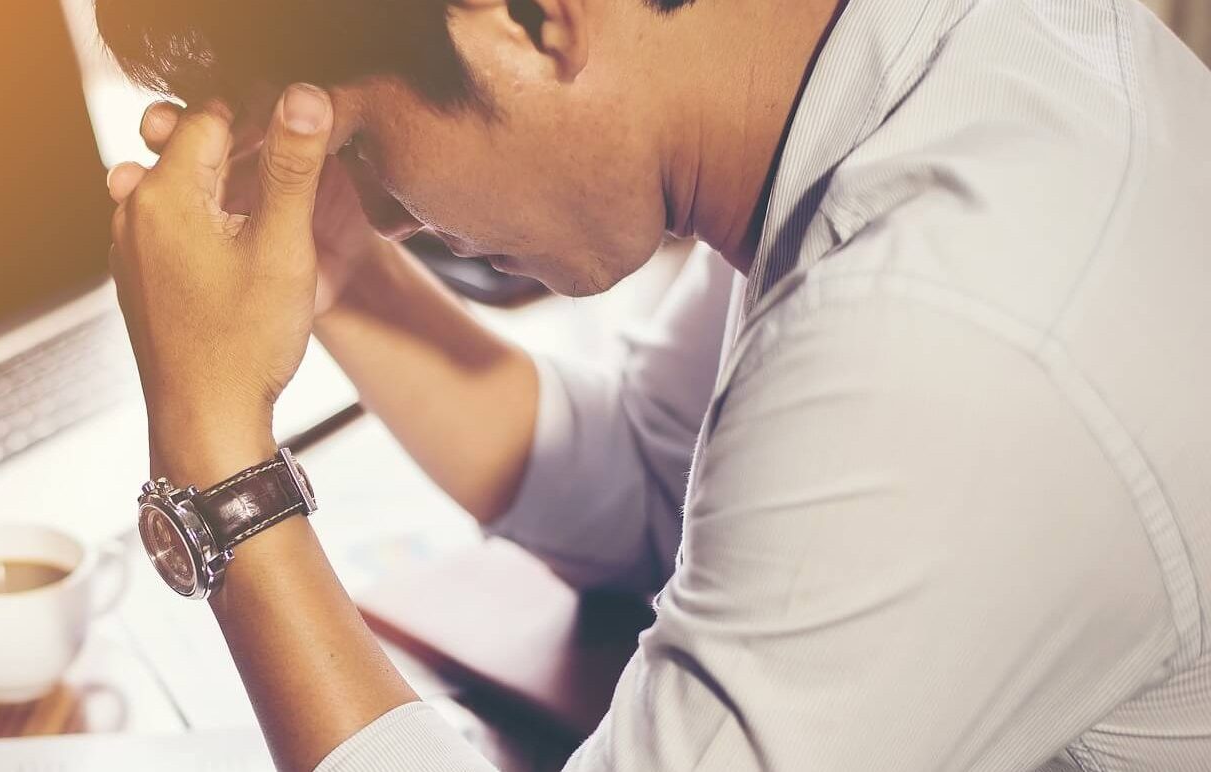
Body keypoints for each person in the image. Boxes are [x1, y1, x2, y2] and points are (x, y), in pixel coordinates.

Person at [95, 0, 1211, 769]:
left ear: (533, 18)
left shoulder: (946, 337)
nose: (390, 212)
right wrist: (348, 279)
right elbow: (645, 481)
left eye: (372, 149)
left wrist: (214, 456)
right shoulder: (892, 69)